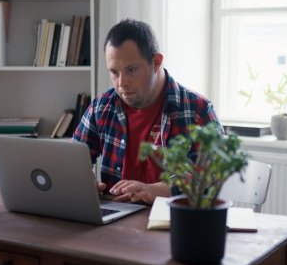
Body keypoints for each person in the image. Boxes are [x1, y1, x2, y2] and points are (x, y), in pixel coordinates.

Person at [71, 19, 222, 205]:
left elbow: (210, 174)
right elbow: (72, 160)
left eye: (131, 70)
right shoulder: (101, 107)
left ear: (156, 62)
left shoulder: (198, 110)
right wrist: (82, 183)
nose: (121, 83)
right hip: (115, 216)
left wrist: (158, 190)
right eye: (114, 72)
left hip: (172, 217)